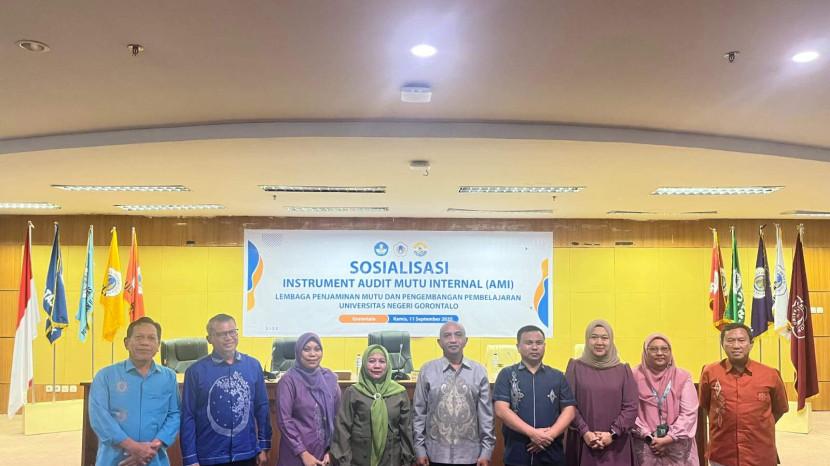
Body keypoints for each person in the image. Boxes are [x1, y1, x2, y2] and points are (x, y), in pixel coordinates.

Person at [180, 314, 271, 466]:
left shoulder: (253, 366)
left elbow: (262, 407)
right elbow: (188, 416)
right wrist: (190, 458)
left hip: (246, 453)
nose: (228, 338)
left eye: (232, 332)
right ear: (209, 339)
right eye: (221, 334)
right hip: (210, 456)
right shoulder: (195, 372)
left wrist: (263, 444)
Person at [89, 316, 180, 466]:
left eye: (151, 338)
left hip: (154, 458)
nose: (145, 343)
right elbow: (99, 417)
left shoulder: (168, 377)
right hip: (114, 460)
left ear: (158, 345)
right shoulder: (105, 376)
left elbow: (174, 415)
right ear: (126, 343)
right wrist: (134, 448)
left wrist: (152, 448)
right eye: (139, 337)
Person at [699, 322, 789, 466]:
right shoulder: (710, 372)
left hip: (759, 454)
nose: (736, 346)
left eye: (741, 340)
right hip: (722, 454)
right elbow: (706, 405)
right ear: (722, 344)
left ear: (751, 344)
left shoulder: (770, 374)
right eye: (730, 340)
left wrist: (757, 424)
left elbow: (779, 409)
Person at [413, 321, 496, 466]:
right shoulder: (427, 370)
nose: (453, 340)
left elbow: (486, 416)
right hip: (434, 455)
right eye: (447, 336)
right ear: (439, 342)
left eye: (458, 335)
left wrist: (486, 451)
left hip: (470, 456)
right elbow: (419, 412)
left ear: (466, 341)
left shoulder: (479, 371)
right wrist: (419, 449)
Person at [494, 325, 577, 466]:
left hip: (551, 453)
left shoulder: (557, 376)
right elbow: (501, 410)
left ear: (544, 346)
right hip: (517, 453)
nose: (534, 347)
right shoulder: (507, 374)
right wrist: (532, 433)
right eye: (529, 343)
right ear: (518, 347)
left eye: (539, 343)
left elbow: (569, 410)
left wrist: (548, 436)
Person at [564, 319, 638, 466]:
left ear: (611, 340)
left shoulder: (623, 370)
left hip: (617, 445)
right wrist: (585, 432)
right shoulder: (575, 367)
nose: (599, 342)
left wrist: (612, 434)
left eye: (605, 338)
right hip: (583, 441)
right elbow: (568, 405)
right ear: (587, 339)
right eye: (594, 337)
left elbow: (631, 407)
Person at [330, 344, 415, 466]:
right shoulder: (353, 392)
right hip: (358, 461)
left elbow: (406, 430)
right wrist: (345, 462)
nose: (377, 366)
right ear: (364, 363)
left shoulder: (399, 393)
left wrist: (407, 460)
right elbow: (342, 430)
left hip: (392, 460)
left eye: (382, 361)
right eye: (371, 361)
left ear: (388, 364)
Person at [632, 333, 698, 466]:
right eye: (653, 349)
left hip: (678, 447)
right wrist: (649, 437)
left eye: (664, 349)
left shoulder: (683, 377)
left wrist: (669, 438)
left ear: (670, 351)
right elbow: (629, 411)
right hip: (645, 446)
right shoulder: (633, 376)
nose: (659, 353)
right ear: (645, 352)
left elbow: (689, 414)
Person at [277, 332, 342, 466]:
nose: (312, 354)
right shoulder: (289, 381)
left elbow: (339, 418)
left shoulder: (330, 378)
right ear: (298, 352)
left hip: (325, 457)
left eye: (317, 349)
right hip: (296, 456)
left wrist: (331, 451)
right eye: (306, 349)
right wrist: (303, 453)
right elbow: (284, 421)